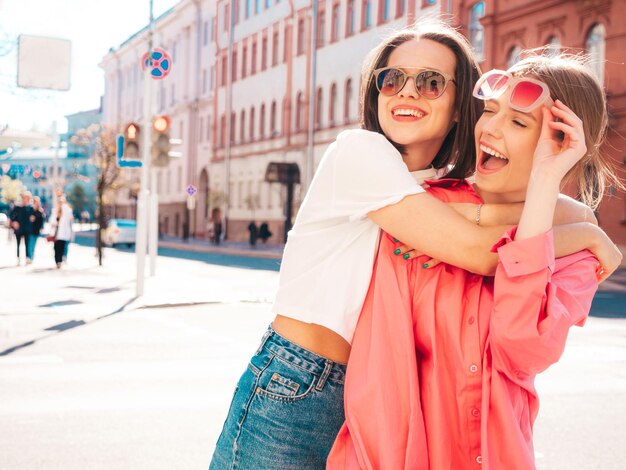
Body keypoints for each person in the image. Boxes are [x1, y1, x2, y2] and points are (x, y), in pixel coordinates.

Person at [208, 23, 614, 469]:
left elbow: (511, 224)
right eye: (392, 78)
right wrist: (587, 237)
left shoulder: (430, 191)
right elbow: (482, 248)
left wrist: (568, 208)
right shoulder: (360, 155)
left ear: (460, 106)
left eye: (431, 82)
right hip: (297, 378)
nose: (407, 92)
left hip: (353, 397)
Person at [327, 54, 623, 469]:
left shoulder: (574, 254)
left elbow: (522, 351)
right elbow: (380, 370)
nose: (490, 129)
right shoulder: (423, 210)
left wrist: (545, 183)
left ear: (562, 145)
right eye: (489, 111)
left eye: (519, 122)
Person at [9, 192, 34, 265]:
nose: (25, 199)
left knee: (27, 244)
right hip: (19, 229)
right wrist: (14, 222)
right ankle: (18, 258)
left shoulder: (31, 208)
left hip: (27, 229)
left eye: (27, 198)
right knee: (18, 244)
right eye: (24, 198)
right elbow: (11, 216)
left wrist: (33, 218)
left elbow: (35, 216)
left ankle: (27, 258)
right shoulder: (17, 207)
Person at [50, 195, 74, 268]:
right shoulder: (55, 210)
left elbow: (70, 220)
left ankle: (60, 261)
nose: (60, 203)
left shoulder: (67, 210)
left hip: (64, 233)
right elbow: (51, 220)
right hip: (56, 232)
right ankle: (57, 261)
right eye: (59, 202)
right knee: (56, 248)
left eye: (61, 202)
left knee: (62, 247)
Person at [27, 196, 45, 262]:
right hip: (30, 229)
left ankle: (31, 257)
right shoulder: (30, 209)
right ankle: (29, 257)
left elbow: (42, 221)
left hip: (36, 230)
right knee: (30, 244)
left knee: (33, 244)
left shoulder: (40, 211)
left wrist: (41, 227)